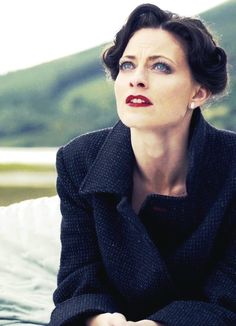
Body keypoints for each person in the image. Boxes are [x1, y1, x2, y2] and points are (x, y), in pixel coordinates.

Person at [49, 3, 236, 326]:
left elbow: (230, 291)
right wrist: (98, 321)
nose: (136, 79)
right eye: (127, 65)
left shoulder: (232, 165)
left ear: (199, 92)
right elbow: (79, 280)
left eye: (160, 67)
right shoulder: (77, 160)